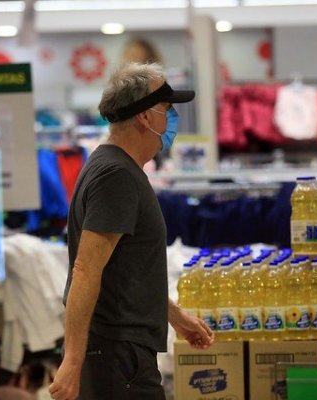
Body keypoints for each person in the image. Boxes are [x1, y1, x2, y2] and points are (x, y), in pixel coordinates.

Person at [49, 63, 214, 400]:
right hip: (117, 357)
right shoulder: (116, 176)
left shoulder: (116, 167)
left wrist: (176, 317)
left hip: (121, 353)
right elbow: (86, 269)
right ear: (145, 116)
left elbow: (124, 271)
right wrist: (72, 361)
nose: (171, 119)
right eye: (167, 109)